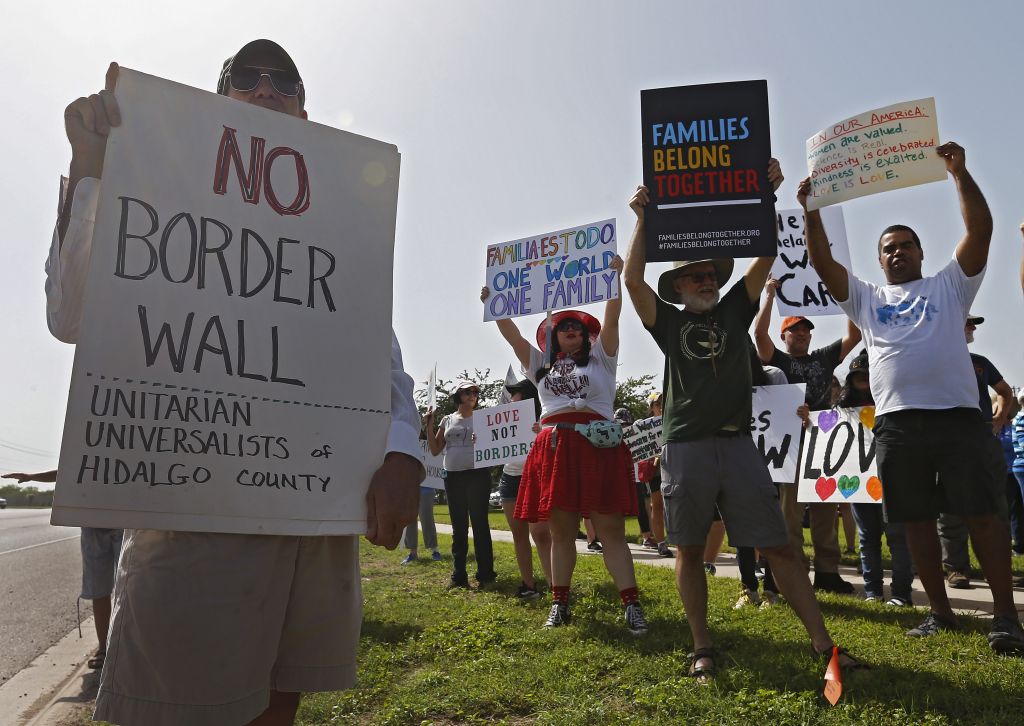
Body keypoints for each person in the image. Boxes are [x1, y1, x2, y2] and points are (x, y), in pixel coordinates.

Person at [47, 41, 425, 725]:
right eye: (244, 78)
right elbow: (73, 316)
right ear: (216, 102)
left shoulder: (341, 217)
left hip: (312, 510)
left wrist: (403, 446)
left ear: (305, 112)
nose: (265, 89)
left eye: (284, 80)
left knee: (280, 705)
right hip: (195, 513)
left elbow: (372, 347)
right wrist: (90, 169)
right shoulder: (147, 184)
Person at [623, 164, 865, 680]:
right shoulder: (667, 324)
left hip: (739, 446)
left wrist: (765, 195)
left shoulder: (735, 309)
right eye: (697, 276)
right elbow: (631, 280)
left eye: (712, 275)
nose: (708, 281)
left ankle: (825, 647)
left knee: (777, 544)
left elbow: (767, 254)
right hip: (685, 445)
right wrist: (643, 219)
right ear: (679, 286)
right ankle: (702, 647)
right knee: (689, 550)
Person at [798, 140, 1024, 655]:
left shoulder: (950, 286)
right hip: (897, 425)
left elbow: (981, 232)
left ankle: (1006, 618)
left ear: (922, 253)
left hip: (960, 420)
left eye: (905, 245)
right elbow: (821, 259)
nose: (897, 252)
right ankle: (940, 613)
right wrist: (811, 212)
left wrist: (959, 175)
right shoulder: (866, 298)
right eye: (888, 248)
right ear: (879, 261)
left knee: (983, 515)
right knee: (915, 518)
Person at [481, 256, 649, 636]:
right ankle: (559, 603)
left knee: (610, 531)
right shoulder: (540, 366)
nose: (573, 330)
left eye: (579, 327)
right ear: (553, 337)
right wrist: (493, 306)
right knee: (560, 532)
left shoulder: (603, 358)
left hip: (597, 447)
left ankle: (631, 604)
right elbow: (513, 338)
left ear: (588, 336)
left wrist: (614, 278)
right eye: (565, 327)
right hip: (556, 448)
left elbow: (614, 316)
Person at [753, 285, 862, 594]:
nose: (801, 334)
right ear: (784, 336)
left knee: (827, 510)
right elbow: (759, 336)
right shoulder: (779, 361)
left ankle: (827, 572)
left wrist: (844, 295)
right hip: (791, 446)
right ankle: (795, 571)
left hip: (825, 441)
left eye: (806, 330)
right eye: (794, 330)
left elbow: (853, 337)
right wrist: (770, 297)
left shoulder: (823, 358)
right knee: (791, 512)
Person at [3, 470, 122, 668]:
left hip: (127, 521)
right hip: (92, 521)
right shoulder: (87, 441)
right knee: (98, 590)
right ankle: (104, 649)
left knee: (130, 589)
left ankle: (126, 648)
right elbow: (70, 466)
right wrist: (32, 477)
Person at [937, 314, 1015, 588]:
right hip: (948, 440)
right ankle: (956, 569)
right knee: (950, 509)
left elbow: (1006, 392)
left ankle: (1000, 567)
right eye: (968, 322)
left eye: (974, 324)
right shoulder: (935, 360)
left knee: (996, 506)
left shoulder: (980, 363)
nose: (972, 328)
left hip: (983, 439)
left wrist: (999, 418)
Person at [837, 353, 915, 607]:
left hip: (894, 482)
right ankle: (873, 593)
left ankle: (902, 594)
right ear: (851, 381)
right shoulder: (842, 412)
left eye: (870, 377)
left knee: (897, 538)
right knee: (867, 538)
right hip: (860, 486)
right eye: (860, 378)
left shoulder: (897, 404)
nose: (866, 383)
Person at [425, 380, 496, 589]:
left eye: (475, 392)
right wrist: (429, 424)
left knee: (479, 523)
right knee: (459, 526)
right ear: (458, 396)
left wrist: (482, 440)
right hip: (453, 477)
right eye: (467, 392)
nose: (472, 395)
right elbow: (436, 449)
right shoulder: (447, 420)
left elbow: (493, 444)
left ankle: (485, 575)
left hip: (478, 475)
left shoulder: (484, 419)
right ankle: (459, 576)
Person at [499, 379, 552, 599]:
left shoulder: (545, 420)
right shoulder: (504, 421)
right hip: (510, 479)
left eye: (517, 395)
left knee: (540, 533)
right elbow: (493, 445)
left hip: (535, 477)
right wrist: (480, 440)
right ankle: (528, 585)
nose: (512, 400)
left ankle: (556, 586)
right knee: (518, 534)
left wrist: (543, 432)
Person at [400, 484, 441, 564]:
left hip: (427, 489)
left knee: (427, 519)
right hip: (408, 490)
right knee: (409, 520)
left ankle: (435, 551)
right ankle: (413, 553)